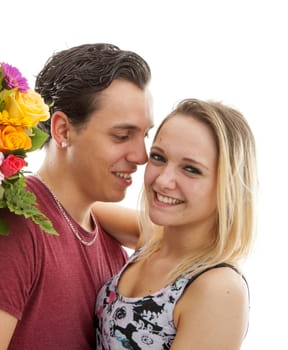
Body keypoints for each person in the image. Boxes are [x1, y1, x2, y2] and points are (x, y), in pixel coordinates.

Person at [0, 43, 154, 349]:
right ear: (62, 130)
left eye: (144, 135)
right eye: (121, 136)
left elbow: (190, 243)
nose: (141, 156)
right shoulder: (5, 232)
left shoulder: (106, 238)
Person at [95, 98, 258, 349]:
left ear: (227, 186)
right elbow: (78, 205)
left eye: (191, 169)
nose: (163, 180)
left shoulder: (218, 289)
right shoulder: (152, 240)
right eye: (158, 157)